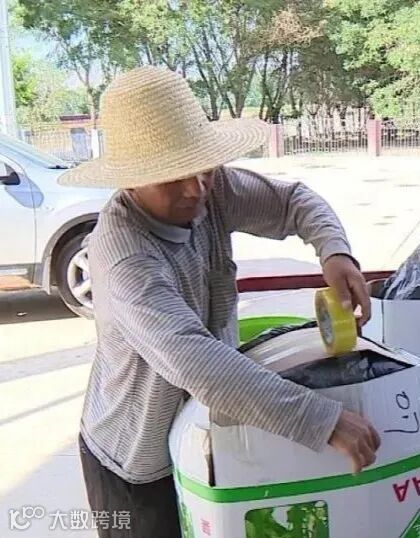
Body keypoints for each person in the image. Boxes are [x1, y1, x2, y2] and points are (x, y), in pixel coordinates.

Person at [61, 66, 381, 537]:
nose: (196, 188)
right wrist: (321, 420)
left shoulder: (212, 190)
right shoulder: (124, 255)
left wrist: (334, 251)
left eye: (203, 169)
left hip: (202, 436)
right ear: (130, 182)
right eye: (173, 177)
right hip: (136, 464)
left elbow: (295, 201)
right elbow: (196, 360)